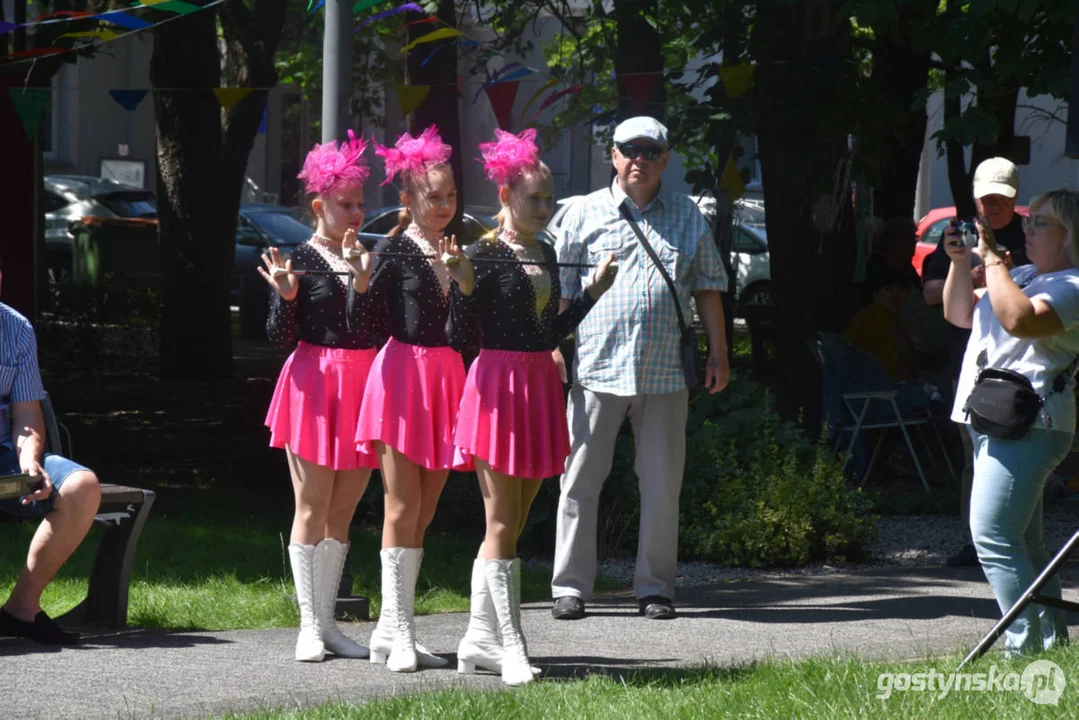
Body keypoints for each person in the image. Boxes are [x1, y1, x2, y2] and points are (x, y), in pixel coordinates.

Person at [447, 129, 617, 685]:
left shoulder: (545, 251)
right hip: (497, 387)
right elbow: (459, 333)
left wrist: (592, 293)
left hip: (538, 384)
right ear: (504, 196)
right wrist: (464, 286)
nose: (544, 208)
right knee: (500, 521)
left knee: (514, 523)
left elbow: (548, 332)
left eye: (549, 198)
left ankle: (477, 638)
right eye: (533, 198)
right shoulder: (483, 254)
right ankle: (512, 646)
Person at [550, 116, 730, 622]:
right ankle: (569, 587)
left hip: (665, 373)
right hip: (596, 367)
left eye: (651, 151)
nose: (640, 160)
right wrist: (552, 346)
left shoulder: (687, 216)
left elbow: (708, 288)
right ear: (613, 154)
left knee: (661, 485)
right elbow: (562, 294)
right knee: (580, 481)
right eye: (630, 150)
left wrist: (720, 353)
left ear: (666, 160)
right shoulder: (582, 214)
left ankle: (655, 588)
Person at [349, 125, 473, 673]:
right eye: (432, 196)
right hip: (402, 378)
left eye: (450, 196)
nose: (444, 205)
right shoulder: (394, 249)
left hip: (446, 379)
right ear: (407, 199)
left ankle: (391, 628)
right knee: (400, 505)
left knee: (424, 510)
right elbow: (365, 323)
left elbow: (467, 327)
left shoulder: (458, 249)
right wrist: (359, 281)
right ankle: (398, 628)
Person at [941, 188, 1079, 657]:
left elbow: (1020, 320)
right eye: (1029, 221)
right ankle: (1052, 647)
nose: (1027, 230)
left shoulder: (1073, 286)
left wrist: (993, 261)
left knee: (994, 536)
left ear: (1070, 234)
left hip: (1031, 425)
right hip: (994, 421)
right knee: (1026, 543)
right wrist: (961, 263)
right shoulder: (1020, 274)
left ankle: (1024, 654)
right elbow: (959, 313)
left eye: (1041, 223)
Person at [260, 130, 377, 663]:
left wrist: (362, 281)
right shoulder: (299, 259)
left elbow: (372, 331)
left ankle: (327, 622)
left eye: (359, 203)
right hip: (313, 385)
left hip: (361, 385)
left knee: (344, 508)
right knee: (312, 503)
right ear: (318, 204)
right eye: (344, 203)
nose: (355, 212)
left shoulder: (366, 260)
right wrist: (286, 298)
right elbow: (278, 339)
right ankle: (309, 625)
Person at [922, 157, 1030, 568]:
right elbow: (932, 293)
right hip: (970, 359)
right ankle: (975, 540)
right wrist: (967, 269)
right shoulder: (961, 234)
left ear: (1014, 196)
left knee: (1021, 450)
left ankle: (1015, 538)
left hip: (1020, 360)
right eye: (985, 198)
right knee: (974, 452)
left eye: (1000, 198)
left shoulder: (1031, 235)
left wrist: (999, 269)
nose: (992, 206)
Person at [0, 263, 102, 645]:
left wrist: (29, 464)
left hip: (5, 459)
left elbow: (27, 413)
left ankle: (21, 610)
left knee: (81, 487)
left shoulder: (15, 329)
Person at [844, 264, 918, 381]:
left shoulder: (897, 320)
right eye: (887, 289)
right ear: (875, 294)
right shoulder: (873, 318)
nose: (895, 294)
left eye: (901, 289)